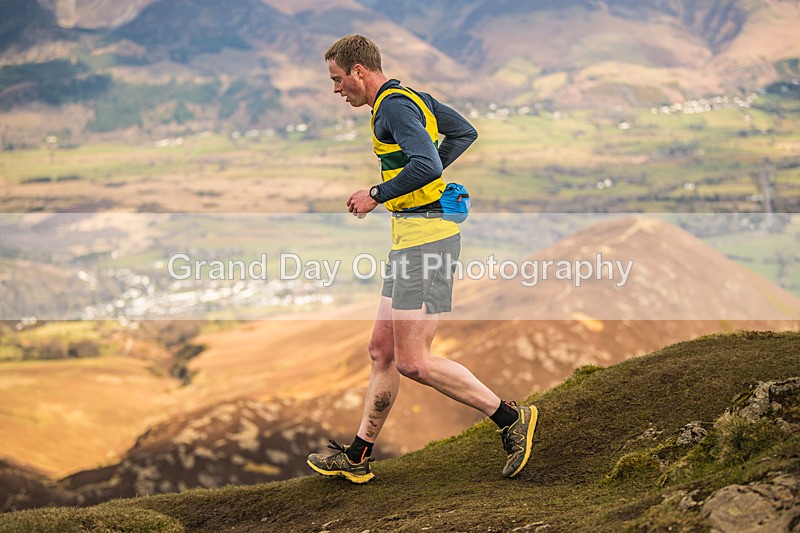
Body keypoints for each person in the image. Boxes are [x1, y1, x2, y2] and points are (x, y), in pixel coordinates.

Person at [307, 34, 538, 483]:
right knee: (381, 351)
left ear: (359, 71)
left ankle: (512, 420)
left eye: (337, 79)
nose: (336, 90)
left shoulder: (393, 106)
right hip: (412, 239)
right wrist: (423, 181)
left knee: (414, 362)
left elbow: (428, 164)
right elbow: (462, 134)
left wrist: (377, 194)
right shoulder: (413, 97)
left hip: (427, 243)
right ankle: (357, 457)